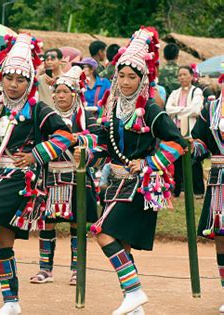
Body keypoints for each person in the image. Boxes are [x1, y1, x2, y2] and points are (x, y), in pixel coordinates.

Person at [0, 33, 74, 315]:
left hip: (21, 179)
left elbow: (64, 135)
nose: (14, 84)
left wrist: (36, 155)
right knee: (4, 241)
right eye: (9, 78)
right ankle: (11, 303)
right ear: (1, 78)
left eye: (20, 80)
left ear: (29, 83)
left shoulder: (38, 110)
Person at [91, 27, 186, 314]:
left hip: (141, 184)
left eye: (132, 76)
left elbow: (176, 143)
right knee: (122, 243)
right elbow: (104, 147)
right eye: (121, 75)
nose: (126, 81)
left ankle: (134, 292)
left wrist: (148, 163)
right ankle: (134, 306)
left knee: (101, 232)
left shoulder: (152, 109)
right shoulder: (112, 110)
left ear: (143, 78)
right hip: (115, 183)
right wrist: (88, 154)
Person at [29, 66, 101, 286]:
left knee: (77, 224)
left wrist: (76, 140)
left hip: (77, 176)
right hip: (51, 175)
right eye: (57, 92)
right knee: (47, 223)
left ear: (74, 94)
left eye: (65, 92)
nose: (60, 96)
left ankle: (77, 270)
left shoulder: (87, 117)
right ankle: (45, 269)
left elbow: (97, 139)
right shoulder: (46, 117)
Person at [192, 74, 224, 314]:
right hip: (219, 179)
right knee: (221, 237)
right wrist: (190, 147)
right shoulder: (210, 108)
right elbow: (201, 141)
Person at [166, 65, 205, 197]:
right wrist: (185, 110)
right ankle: (177, 190)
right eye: (180, 75)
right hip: (176, 129)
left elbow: (195, 109)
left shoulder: (197, 92)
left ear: (191, 76)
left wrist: (178, 110)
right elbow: (168, 109)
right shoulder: (175, 93)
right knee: (176, 158)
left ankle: (198, 191)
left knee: (194, 158)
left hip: (192, 129)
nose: (182, 77)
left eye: (185, 74)